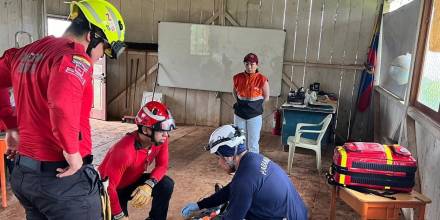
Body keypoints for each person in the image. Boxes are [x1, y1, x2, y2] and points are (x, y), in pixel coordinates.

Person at [0, 0, 125, 219]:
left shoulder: (27, 52)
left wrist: (11, 127)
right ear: (91, 36)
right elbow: (60, 103)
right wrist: (72, 152)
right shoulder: (75, 58)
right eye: (104, 48)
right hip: (62, 181)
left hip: (24, 176)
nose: (101, 56)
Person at [181, 124, 308, 220]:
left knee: (239, 210)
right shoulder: (253, 159)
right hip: (296, 212)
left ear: (228, 156)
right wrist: (200, 205)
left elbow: (232, 218)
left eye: (219, 157)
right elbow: (230, 190)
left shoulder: (244, 180)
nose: (219, 163)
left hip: (287, 216)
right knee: (241, 203)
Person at [98, 101, 176, 220]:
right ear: (145, 130)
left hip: (131, 181)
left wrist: (149, 185)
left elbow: (162, 165)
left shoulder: (160, 140)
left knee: (166, 184)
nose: (166, 135)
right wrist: (119, 216)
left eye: (167, 129)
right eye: (161, 130)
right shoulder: (123, 151)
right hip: (110, 191)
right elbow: (108, 187)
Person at [232, 53, 269, 154]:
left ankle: (252, 165)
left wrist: (255, 106)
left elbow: (266, 97)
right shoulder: (237, 77)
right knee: (239, 140)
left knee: (253, 143)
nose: (249, 67)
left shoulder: (262, 79)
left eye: (252, 64)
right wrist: (242, 103)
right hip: (239, 113)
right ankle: (240, 163)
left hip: (254, 114)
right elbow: (234, 93)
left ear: (257, 65)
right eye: (247, 64)